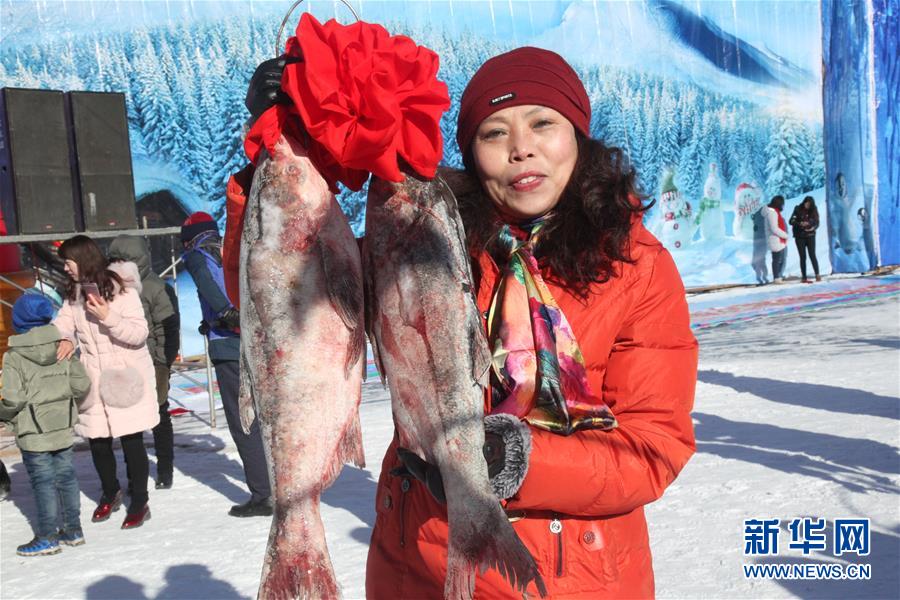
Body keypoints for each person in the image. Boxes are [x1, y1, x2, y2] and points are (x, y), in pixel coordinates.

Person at [245, 45, 697, 598]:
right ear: (472, 153)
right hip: (419, 566)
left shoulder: (637, 269)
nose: (521, 148)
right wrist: (275, 154)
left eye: (543, 124)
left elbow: (652, 449)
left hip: (572, 579)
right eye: (494, 132)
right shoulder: (422, 241)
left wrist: (521, 462)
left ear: (579, 136)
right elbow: (285, 299)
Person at [54, 235, 158, 529]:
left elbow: (139, 334)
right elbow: (62, 322)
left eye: (68, 262)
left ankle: (140, 501)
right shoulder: (74, 293)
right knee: (97, 441)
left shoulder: (122, 290)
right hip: (93, 376)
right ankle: (110, 492)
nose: (66, 268)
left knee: (131, 440)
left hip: (123, 376)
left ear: (83, 259)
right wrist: (65, 337)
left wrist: (108, 316)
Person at [180, 212, 272, 517]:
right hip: (257, 342)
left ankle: (264, 495)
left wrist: (225, 316)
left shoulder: (197, 255)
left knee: (243, 420)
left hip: (229, 345)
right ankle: (282, 484)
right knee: (265, 416)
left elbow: (212, 291)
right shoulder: (231, 250)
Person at [0, 294, 91, 555]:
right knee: (67, 477)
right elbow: (81, 384)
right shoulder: (63, 348)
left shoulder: (15, 356)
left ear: (18, 321)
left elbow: (13, 399)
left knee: (43, 483)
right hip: (62, 425)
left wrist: (3, 414)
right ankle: (73, 530)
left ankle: (47, 537)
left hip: (33, 431)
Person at [108, 235, 181, 489]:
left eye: (121, 260)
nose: (116, 265)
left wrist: (164, 361)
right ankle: (134, 476)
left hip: (153, 361)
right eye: (113, 260)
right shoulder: (111, 287)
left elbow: (169, 326)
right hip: (123, 363)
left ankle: (165, 470)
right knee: (129, 420)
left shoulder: (153, 286)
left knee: (159, 414)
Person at [789, 196, 821, 283]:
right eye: (806, 203)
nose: (807, 205)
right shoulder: (797, 208)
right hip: (800, 236)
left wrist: (813, 227)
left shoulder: (814, 210)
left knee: (812, 255)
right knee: (802, 256)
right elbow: (791, 221)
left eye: (809, 204)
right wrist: (800, 223)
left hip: (810, 235)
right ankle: (804, 276)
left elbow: (817, 222)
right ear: (804, 202)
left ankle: (817, 274)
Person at [763, 195, 789, 283]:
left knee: (780, 259)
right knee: (777, 260)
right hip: (775, 239)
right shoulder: (772, 213)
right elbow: (774, 228)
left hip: (777, 239)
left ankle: (778, 276)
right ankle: (776, 278)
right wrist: (785, 235)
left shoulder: (774, 212)